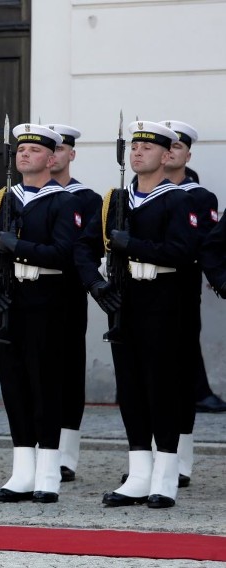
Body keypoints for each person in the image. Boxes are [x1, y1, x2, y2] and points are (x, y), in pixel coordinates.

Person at [74, 120, 197, 509]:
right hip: (124, 301)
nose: (138, 152)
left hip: (164, 301)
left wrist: (136, 245)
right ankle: (139, 473)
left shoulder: (178, 200)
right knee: (130, 389)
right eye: (135, 147)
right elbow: (83, 248)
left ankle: (165, 476)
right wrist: (96, 285)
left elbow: (183, 251)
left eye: (148, 147)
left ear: (166, 155)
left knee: (162, 388)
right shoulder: (115, 200)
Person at [0, 123, 77, 504]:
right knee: (14, 387)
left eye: (34, 150)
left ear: (51, 158)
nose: (24, 154)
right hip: (8, 301)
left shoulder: (62, 201)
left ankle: (48, 472)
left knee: (46, 386)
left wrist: (20, 247)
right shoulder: (0, 200)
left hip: (48, 302)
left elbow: (65, 254)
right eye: (20, 150)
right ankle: (22, 470)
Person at [159, 120, 222, 488]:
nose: (170, 153)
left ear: (186, 155)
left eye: (177, 148)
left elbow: (203, 246)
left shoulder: (199, 197)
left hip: (180, 290)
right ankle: (153, 458)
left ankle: (181, 459)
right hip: (143, 294)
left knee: (178, 375)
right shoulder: (133, 193)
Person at [43, 123, 102, 483]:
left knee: (67, 372)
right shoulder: (20, 195)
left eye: (60, 149)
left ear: (70, 154)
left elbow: (89, 248)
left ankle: (66, 452)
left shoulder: (88, 199)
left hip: (67, 292)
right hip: (31, 295)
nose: (54, 155)